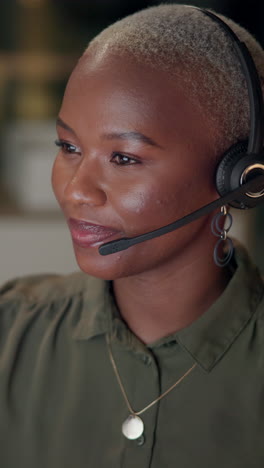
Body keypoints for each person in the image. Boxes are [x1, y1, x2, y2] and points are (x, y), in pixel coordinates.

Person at [0, 3, 264, 467]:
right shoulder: (11, 332)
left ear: (239, 179)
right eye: (69, 147)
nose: (76, 190)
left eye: (123, 158)